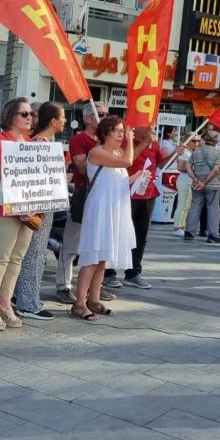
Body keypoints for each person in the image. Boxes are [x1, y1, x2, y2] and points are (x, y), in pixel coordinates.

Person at [73, 115, 143, 322]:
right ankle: (79, 303)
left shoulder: (116, 152)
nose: (122, 135)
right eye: (118, 131)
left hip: (114, 208)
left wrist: (136, 177)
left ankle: (94, 299)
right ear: (105, 133)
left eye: (123, 131)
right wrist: (132, 141)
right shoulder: (96, 152)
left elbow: (116, 181)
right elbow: (127, 161)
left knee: (103, 258)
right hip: (100, 209)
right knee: (92, 258)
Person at [0, 98, 36, 331]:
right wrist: (15, 200)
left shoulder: (29, 142)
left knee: (16, 259)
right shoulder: (0, 142)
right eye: (24, 113)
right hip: (1, 209)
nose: (29, 117)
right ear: (11, 116)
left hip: (24, 211)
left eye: (31, 113)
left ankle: (5, 302)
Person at [58, 103, 114, 305]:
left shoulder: (106, 141)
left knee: (99, 245)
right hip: (86, 194)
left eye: (106, 113)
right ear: (88, 119)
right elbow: (81, 167)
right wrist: (100, 152)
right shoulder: (79, 140)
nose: (105, 117)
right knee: (72, 242)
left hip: (104, 197)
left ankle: (94, 288)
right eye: (100, 114)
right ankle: (63, 285)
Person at [13, 102, 65, 319]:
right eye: (62, 117)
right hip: (38, 206)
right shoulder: (39, 144)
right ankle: (27, 302)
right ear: (53, 120)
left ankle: (23, 296)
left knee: (35, 253)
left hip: (44, 204)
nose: (64, 121)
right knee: (34, 254)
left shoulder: (45, 142)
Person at [105, 125, 167, 289]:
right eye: (148, 127)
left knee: (141, 235)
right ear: (137, 128)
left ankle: (133, 273)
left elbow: (161, 163)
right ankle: (108, 273)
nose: (151, 130)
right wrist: (143, 143)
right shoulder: (126, 142)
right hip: (128, 193)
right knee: (118, 233)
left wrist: (177, 153)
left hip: (148, 193)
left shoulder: (154, 143)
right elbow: (127, 161)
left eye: (153, 127)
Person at [185, 131, 220, 243]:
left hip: (197, 184)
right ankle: (213, 235)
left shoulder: (196, 152)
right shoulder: (219, 152)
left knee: (194, 206)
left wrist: (196, 180)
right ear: (216, 140)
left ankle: (189, 231)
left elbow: (188, 166)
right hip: (212, 184)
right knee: (213, 208)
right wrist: (205, 182)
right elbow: (216, 170)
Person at [171, 137, 197, 236]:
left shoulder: (190, 153)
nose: (196, 143)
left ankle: (181, 226)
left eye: (197, 141)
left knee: (187, 206)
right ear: (187, 141)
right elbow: (180, 167)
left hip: (189, 181)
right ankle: (177, 227)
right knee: (182, 204)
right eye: (193, 140)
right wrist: (193, 169)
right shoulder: (185, 153)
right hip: (184, 181)